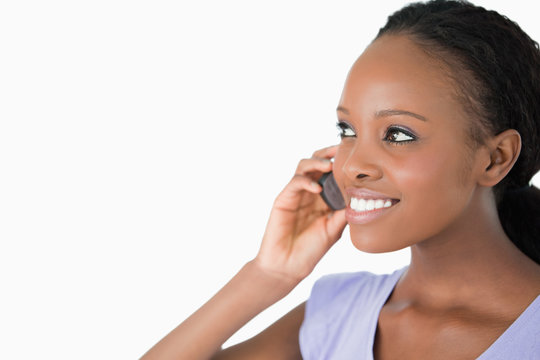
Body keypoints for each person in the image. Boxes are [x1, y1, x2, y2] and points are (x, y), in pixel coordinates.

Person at [141, 0, 540, 358]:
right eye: (347, 130)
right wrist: (268, 275)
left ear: (495, 158)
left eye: (398, 134)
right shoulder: (336, 313)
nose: (351, 166)